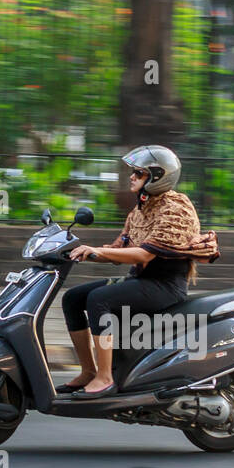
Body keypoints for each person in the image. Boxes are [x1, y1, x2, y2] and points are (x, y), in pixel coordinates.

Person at [59, 144, 220, 398]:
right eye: (133, 172)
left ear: (157, 177)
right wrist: (75, 250)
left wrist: (97, 252)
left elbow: (144, 254)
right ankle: (89, 371)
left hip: (166, 285)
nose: (131, 177)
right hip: (141, 279)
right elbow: (119, 249)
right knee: (72, 298)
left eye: (139, 173)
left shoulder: (176, 207)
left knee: (98, 299)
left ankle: (105, 378)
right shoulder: (140, 209)